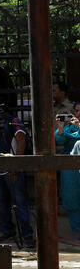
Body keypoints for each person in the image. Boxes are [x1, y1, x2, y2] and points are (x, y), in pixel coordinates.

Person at [0, 105, 35, 248]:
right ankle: (8, 230)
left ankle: (27, 235)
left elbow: (21, 140)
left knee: (19, 202)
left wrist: (16, 166)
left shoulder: (13, 121)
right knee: (1, 201)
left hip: (12, 167)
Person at [55, 102, 80, 241]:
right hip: (70, 168)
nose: (78, 114)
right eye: (76, 111)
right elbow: (59, 140)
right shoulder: (69, 127)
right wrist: (60, 127)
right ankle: (77, 228)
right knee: (72, 197)